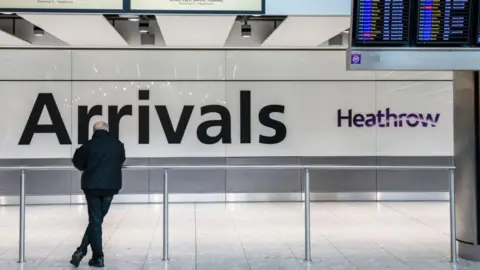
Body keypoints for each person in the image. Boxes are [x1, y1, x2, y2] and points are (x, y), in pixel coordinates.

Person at [70, 121, 126, 268]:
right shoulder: (118, 145)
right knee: (97, 221)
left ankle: (95, 256)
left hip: (92, 188)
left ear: (93, 131)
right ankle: (84, 252)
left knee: (95, 221)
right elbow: (121, 160)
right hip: (110, 187)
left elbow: (78, 163)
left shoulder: (87, 146)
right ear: (107, 130)